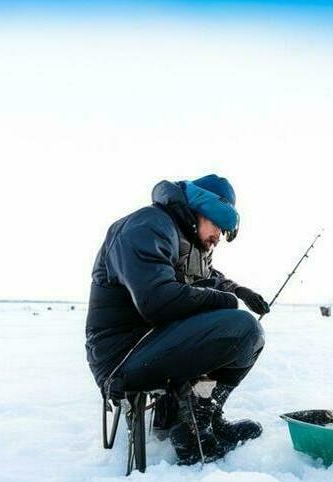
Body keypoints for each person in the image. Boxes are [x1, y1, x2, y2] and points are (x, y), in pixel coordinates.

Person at [85, 175, 269, 465]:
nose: (218, 237)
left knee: (250, 337)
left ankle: (203, 418)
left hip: (152, 342)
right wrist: (223, 301)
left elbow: (208, 278)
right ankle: (190, 430)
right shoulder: (148, 226)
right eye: (219, 226)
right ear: (203, 208)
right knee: (241, 329)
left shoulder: (185, 237)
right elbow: (156, 300)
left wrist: (238, 291)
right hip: (122, 356)